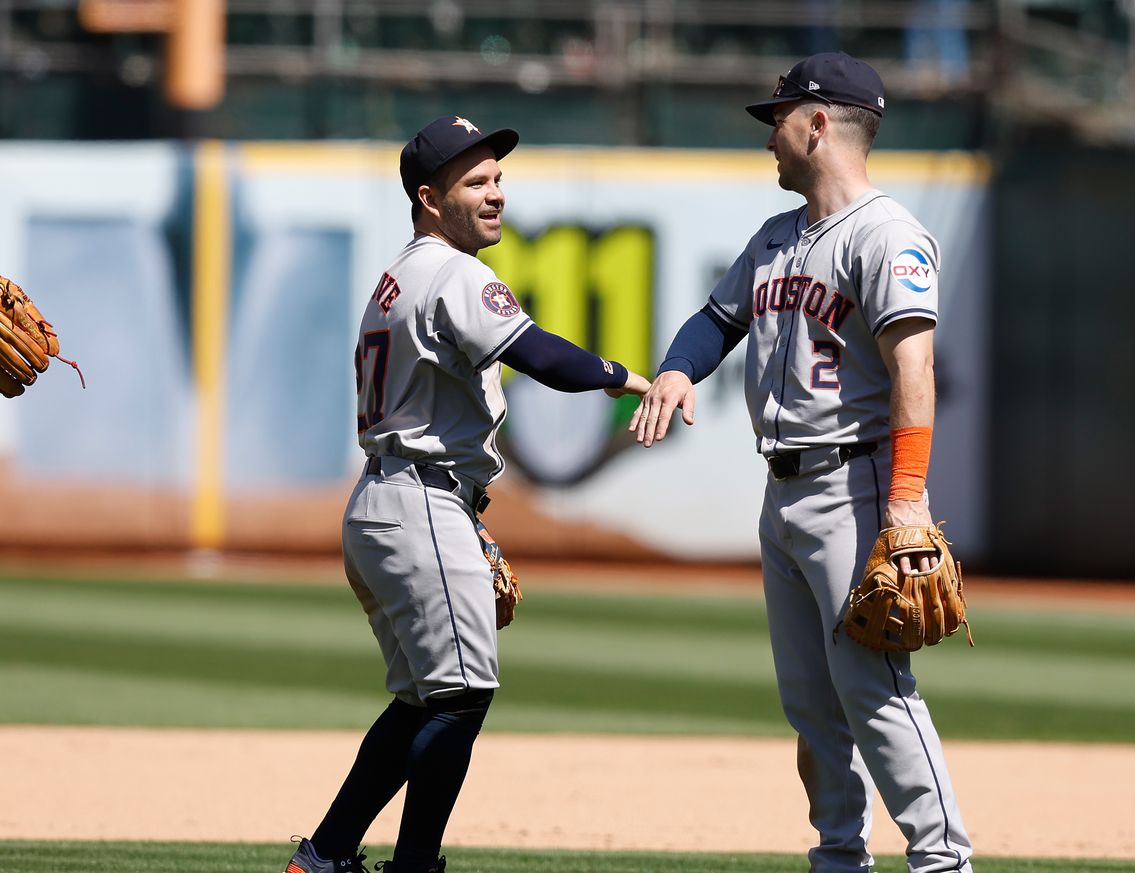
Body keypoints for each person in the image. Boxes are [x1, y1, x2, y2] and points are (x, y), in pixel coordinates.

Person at [632, 53, 973, 873]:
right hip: (782, 494)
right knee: (811, 705)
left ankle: (942, 860)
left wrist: (907, 499)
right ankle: (839, 857)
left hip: (854, 486)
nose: (770, 137)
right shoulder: (777, 237)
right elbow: (715, 321)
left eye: (778, 119)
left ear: (819, 124)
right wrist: (679, 368)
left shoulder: (889, 236)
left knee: (874, 691)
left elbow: (914, 374)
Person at [285, 114, 650, 873]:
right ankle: (410, 865)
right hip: (420, 497)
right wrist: (620, 375)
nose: (496, 195)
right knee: (462, 694)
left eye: (498, 178)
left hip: (389, 500)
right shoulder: (455, 274)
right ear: (429, 196)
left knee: (427, 696)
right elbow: (539, 353)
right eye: (475, 182)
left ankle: (323, 856)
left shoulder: (398, 275)